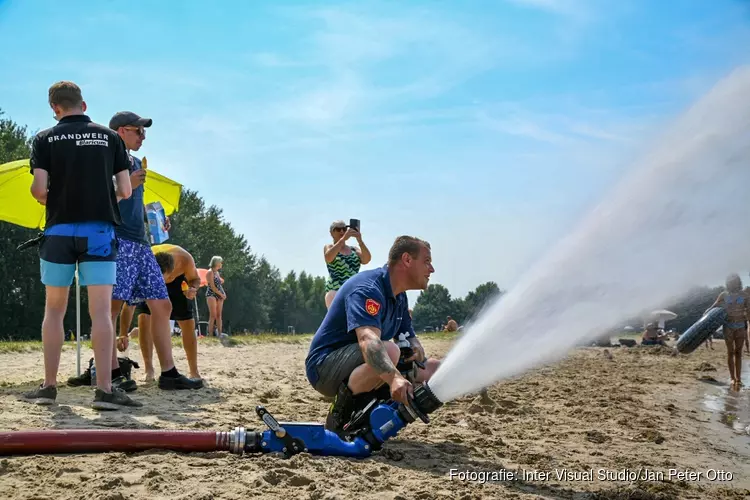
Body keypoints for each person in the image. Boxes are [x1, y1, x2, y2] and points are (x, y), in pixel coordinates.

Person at [23, 81, 140, 410]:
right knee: (101, 312)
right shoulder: (110, 138)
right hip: (99, 232)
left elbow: (38, 190)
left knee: (54, 310)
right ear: (84, 105)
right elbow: (125, 191)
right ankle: (104, 389)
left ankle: (48, 387)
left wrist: (58, 201)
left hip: (58, 231)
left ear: (55, 109)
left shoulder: (44, 138)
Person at [305, 235, 441, 436]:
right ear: (407, 260)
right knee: (389, 350)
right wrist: (395, 378)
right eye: (427, 262)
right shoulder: (368, 288)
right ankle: (339, 417)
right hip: (324, 368)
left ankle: (373, 414)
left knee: (433, 369)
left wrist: (416, 350)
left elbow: (409, 338)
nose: (432, 269)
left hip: (360, 364)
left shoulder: (399, 296)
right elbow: (368, 341)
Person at [109, 111, 202, 391]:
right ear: (122, 131)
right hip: (118, 240)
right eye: (139, 131)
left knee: (162, 305)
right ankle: (111, 374)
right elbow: (99, 201)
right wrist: (126, 186)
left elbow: (133, 203)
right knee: (110, 309)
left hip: (141, 242)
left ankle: (169, 373)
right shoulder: (105, 159)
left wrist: (156, 221)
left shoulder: (135, 162)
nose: (143, 137)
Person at [121, 244, 203, 381]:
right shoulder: (143, 266)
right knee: (144, 318)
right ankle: (149, 369)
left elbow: (195, 279)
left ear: (172, 271)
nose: (163, 283)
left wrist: (192, 289)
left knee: (187, 322)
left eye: (165, 279)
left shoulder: (185, 259)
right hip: (150, 280)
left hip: (179, 285)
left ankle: (194, 371)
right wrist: (123, 333)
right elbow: (129, 305)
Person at [706, 274, 749, 389]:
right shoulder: (724, 294)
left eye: (735, 281)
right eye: (731, 281)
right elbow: (714, 306)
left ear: (738, 282)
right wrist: (705, 315)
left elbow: (749, 313)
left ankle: (738, 379)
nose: (733, 283)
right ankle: (732, 378)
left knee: (739, 352)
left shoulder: (745, 295)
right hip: (728, 326)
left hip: (740, 326)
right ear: (728, 283)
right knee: (730, 352)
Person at [323, 220, 372, 309]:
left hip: (353, 291)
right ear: (331, 233)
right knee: (339, 320)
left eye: (344, 229)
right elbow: (329, 257)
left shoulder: (354, 250)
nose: (342, 231)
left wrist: (360, 240)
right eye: (338, 229)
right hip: (335, 290)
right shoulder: (329, 247)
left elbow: (366, 259)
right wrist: (343, 239)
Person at [205, 256, 226, 337]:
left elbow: (219, 285)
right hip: (211, 294)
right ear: (216, 263)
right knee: (212, 315)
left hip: (219, 294)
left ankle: (220, 334)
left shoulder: (217, 273)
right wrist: (221, 294)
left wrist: (223, 293)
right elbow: (213, 287)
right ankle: (210, 335)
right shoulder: (210, 272)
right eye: (220, 262)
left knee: (219, 315)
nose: (221, 264)